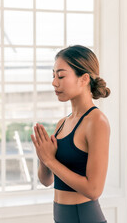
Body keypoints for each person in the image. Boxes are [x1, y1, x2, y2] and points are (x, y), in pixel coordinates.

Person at [31, 45, 111, 223]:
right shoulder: (62, 123)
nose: (54, 82)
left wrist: (51, 160)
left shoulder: (97, 121)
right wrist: (43, 158)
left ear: (83, 79)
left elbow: (94, 189)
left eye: (61, 76)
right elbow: (46, 180)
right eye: (53, 76)